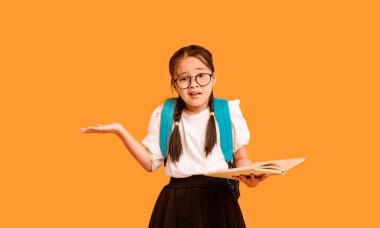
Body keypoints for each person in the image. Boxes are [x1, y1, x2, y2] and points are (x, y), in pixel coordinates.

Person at [79, 44, 269, 227]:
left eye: (201, 75)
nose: (194, 85)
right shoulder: (164, 114)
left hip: (219, 201)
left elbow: (241, 158)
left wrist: (250, 176)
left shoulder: (228, 111)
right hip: (177, 204)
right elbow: (150, 163)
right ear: (174, 84)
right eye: (184, 78)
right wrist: (120, 131)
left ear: (214, 77)